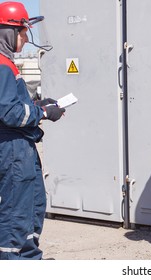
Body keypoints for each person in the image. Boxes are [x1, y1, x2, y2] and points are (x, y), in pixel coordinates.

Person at [0, 1, 65, 260]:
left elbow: (13, 105)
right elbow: (10, 113)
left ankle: (26, 257)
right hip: (13, 150)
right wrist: (44, 113)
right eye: (24, 32)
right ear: (8, 32)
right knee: (18, 214)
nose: (27, 39)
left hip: (20, 149)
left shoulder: (7, 64)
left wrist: (38, 104)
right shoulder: (3, 66)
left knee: (32, 207)